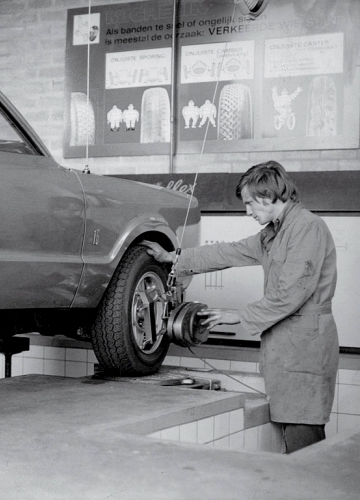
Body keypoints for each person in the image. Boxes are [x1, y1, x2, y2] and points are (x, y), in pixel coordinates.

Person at [142, 161, 339, 454]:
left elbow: (291, 293)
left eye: (250, 203)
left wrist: (238, 315)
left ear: (268, 195)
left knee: (303, 434)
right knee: (294, 432)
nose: (247, 212)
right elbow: (228, 252)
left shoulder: (307, 228)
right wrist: (174, 257)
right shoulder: (274, 232)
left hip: (305, 345)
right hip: (289, 344)